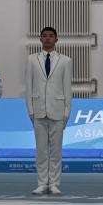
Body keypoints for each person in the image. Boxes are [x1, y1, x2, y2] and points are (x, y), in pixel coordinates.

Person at [25, 26, 72, 195]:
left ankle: (54, 183)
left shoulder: (65, 61)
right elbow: (29, 87)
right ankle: (42, 183)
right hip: (38, 110)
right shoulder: (31, 60)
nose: (47, 38)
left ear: (56, 39)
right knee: (41, 150)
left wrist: (67, 112)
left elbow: (67, 88)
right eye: (44, 36)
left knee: (56, 150)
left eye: (51, 36)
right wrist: (30, 110)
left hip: (58, 110)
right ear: (40, 39)